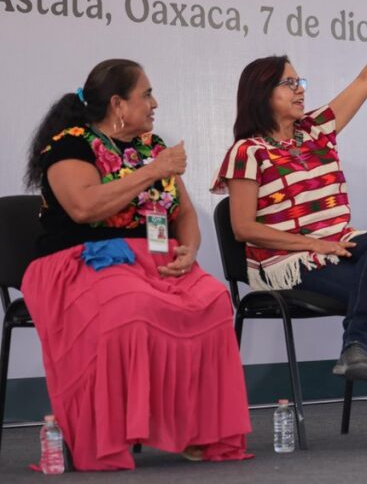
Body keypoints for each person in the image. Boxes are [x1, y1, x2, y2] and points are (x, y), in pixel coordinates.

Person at [212, 2, 367, 447]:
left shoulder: (317, 129)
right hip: (284, 261)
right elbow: (243, 228)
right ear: (263, 93)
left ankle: (357, 345)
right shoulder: (247, 151)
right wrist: (311, 244)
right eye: (289, 83)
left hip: (336, 245)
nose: (300, 90)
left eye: (300, 81)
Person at [22, 59, 251, 470]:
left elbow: (182, 214)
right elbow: (83, 206)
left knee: (213, 299)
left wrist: (191, 249)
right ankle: (110, 435)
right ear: (117, 104)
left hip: (153, 258)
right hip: (80, 261)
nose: (154, 102)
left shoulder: (152, 146)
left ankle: (199, 433)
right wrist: (152, 171)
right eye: (146, 94)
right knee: (129, 309)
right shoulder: (68, 143)